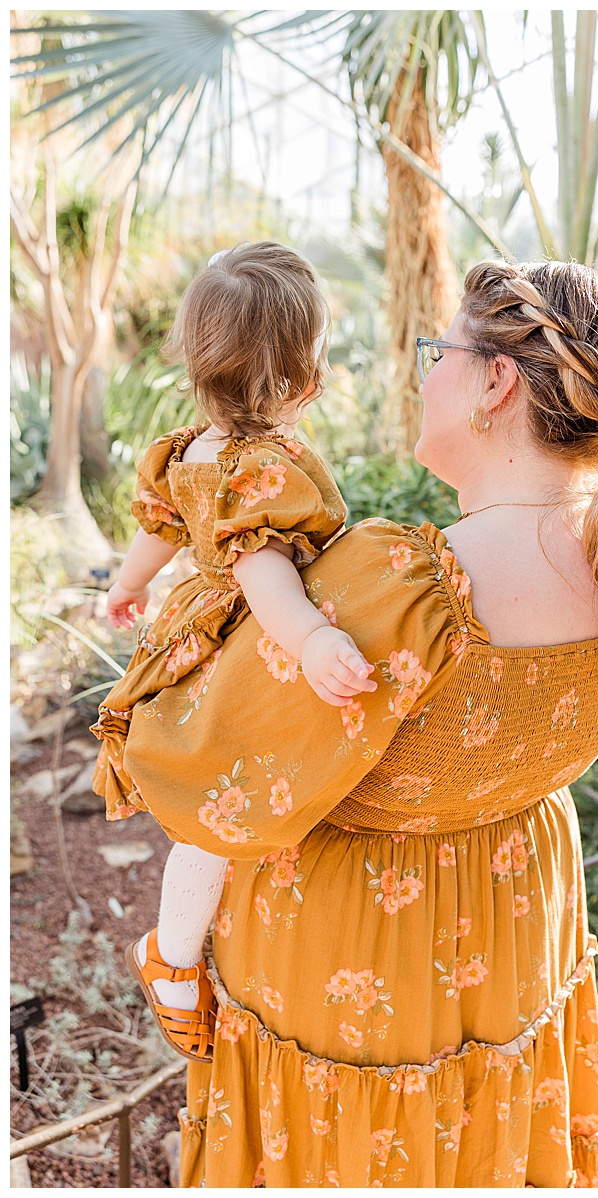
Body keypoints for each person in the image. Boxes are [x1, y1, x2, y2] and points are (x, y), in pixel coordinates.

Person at [109, 257, 598, 1186]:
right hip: (512, 942)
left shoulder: (398, 588)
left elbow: (219, 759)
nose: (424, 373)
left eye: (439, 352)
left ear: (497, 381)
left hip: (353, 980)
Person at [94, 242, 375, 1064]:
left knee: (225, 814)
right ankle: (172, 962)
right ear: (308, 380)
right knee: (219, 818)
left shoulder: (189, 452)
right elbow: (264, 574)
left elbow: (157, 530)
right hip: (251, 640)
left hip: (206, 627)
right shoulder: (263, 470)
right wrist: (316, 638)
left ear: (194, 357)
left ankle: (195, 946)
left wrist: (125, 587)